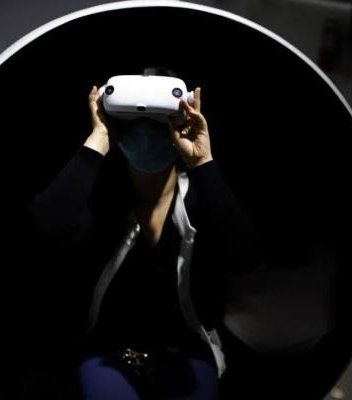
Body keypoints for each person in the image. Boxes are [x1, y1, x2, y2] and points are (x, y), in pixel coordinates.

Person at [28, 69, 260, 399]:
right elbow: (47, 226)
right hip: (108, 354)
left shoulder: (201, 198)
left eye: (159, 121)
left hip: (187, 354)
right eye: (135, 120)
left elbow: (245, 256)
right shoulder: (101, 198)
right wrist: (98, 140)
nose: (147, 133)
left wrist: (203, 162)